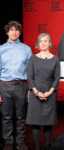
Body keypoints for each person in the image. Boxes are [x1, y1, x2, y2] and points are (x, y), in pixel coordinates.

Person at [0, 21, 32, 150]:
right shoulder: (1, 49)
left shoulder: (26, 49)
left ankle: (20, 141)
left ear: (20, 32)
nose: (14, 32)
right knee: (6, 117)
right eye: (11, 30)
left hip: (21, 86)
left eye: (17, 30)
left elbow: (31, 71)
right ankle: (8, 142)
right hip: (4, 86)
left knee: (21, 116)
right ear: (7, 32)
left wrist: (30, 90)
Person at [26, 33, 60, 150]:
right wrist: (36, 92)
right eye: (41, 41)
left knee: (48, 122)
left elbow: (56, 78)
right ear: (38, 44)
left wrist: (49, 93)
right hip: (35, 93)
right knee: (36, 121)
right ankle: (36, 147)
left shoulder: (55, 59)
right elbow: (30, 77)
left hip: (50, 94)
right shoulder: (32, 58)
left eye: (46, 41)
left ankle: (46, 147)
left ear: (50, 43)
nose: (43, 43)